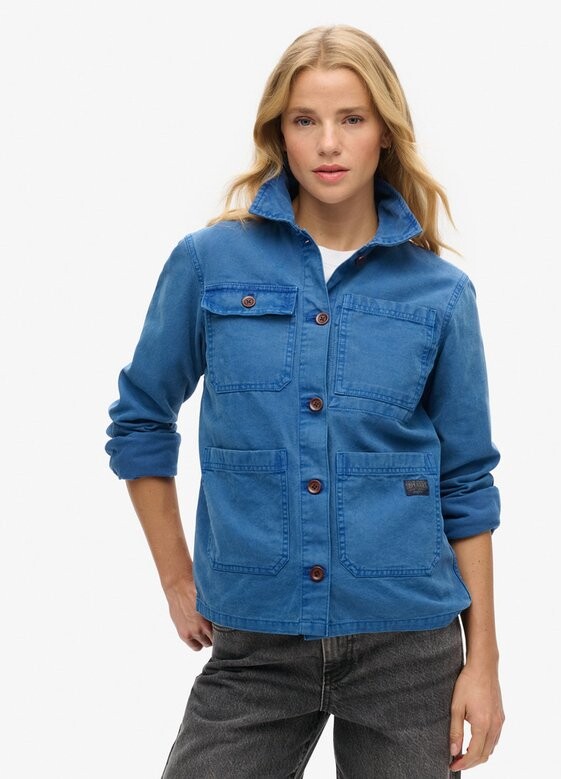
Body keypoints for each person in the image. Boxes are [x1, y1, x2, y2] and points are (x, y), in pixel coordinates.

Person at [105, 24, 504, 778]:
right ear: (278, 133)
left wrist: (482, 663)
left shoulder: (441, 294)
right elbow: (141, 421)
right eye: (304, 120)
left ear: (384, 132)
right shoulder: (209, 262)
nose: (328, 143)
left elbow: (466, 483)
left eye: (351, 118)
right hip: (256, 642)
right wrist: (176, 577)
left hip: (409, 648)